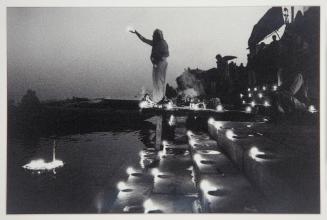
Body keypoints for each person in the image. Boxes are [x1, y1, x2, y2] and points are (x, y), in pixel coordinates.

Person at [130, 29, 169, 104]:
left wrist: (158, 58)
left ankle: (160, 99)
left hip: (161, 63)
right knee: (156, 81)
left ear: (157, 36)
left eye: (154, 35)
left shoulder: (162, 43)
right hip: (157, 64)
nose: (153, 37)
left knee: (159, 81)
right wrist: (136, 33)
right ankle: (157, 98)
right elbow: (144, 39)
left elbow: (166, 54)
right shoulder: (156, 43)